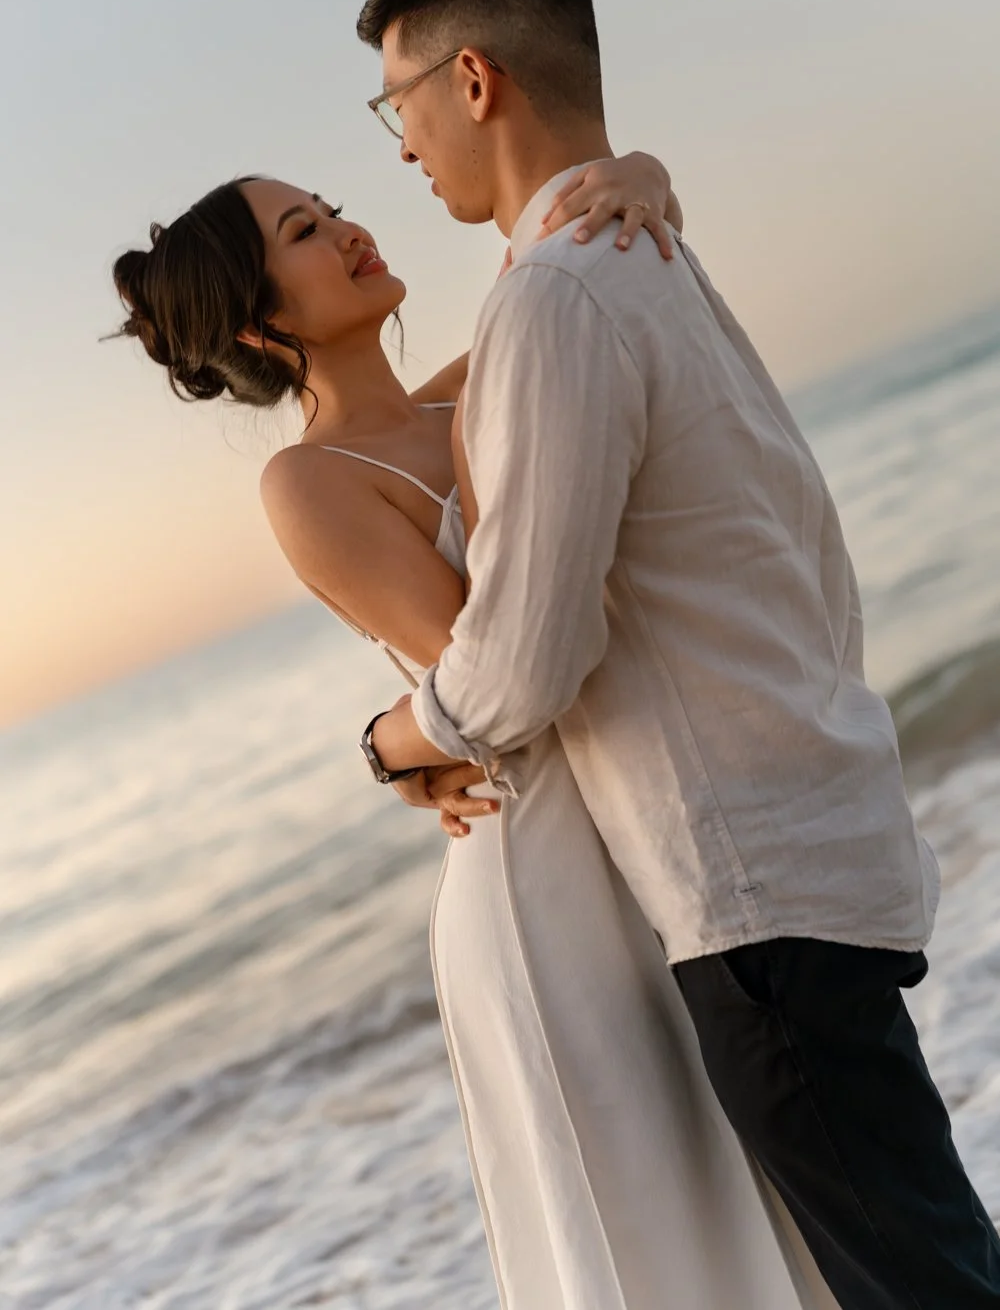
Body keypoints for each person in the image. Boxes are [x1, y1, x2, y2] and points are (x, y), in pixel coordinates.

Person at [359, 0, 1000, 1309]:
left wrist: (402, 738)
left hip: (755, 889)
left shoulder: (562, 298)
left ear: (475, 80)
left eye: (396, 100)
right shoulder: (647, 255)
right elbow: (798, 542)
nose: (397, 144)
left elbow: (530, 647)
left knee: (923, 1279)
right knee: (924, 1254)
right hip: (817, 834)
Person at [109, 162, 832, 1305]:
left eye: (332, 206)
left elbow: (574, 234)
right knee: (650, 1228)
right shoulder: (311, 481)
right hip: (537, 883)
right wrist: (388, 739)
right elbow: (499, 664)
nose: (347, 231)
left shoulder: (473, 389)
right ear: (263, 323)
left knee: (769, 1187)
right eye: (306, 231)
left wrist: (642, 177)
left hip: (647, 838)